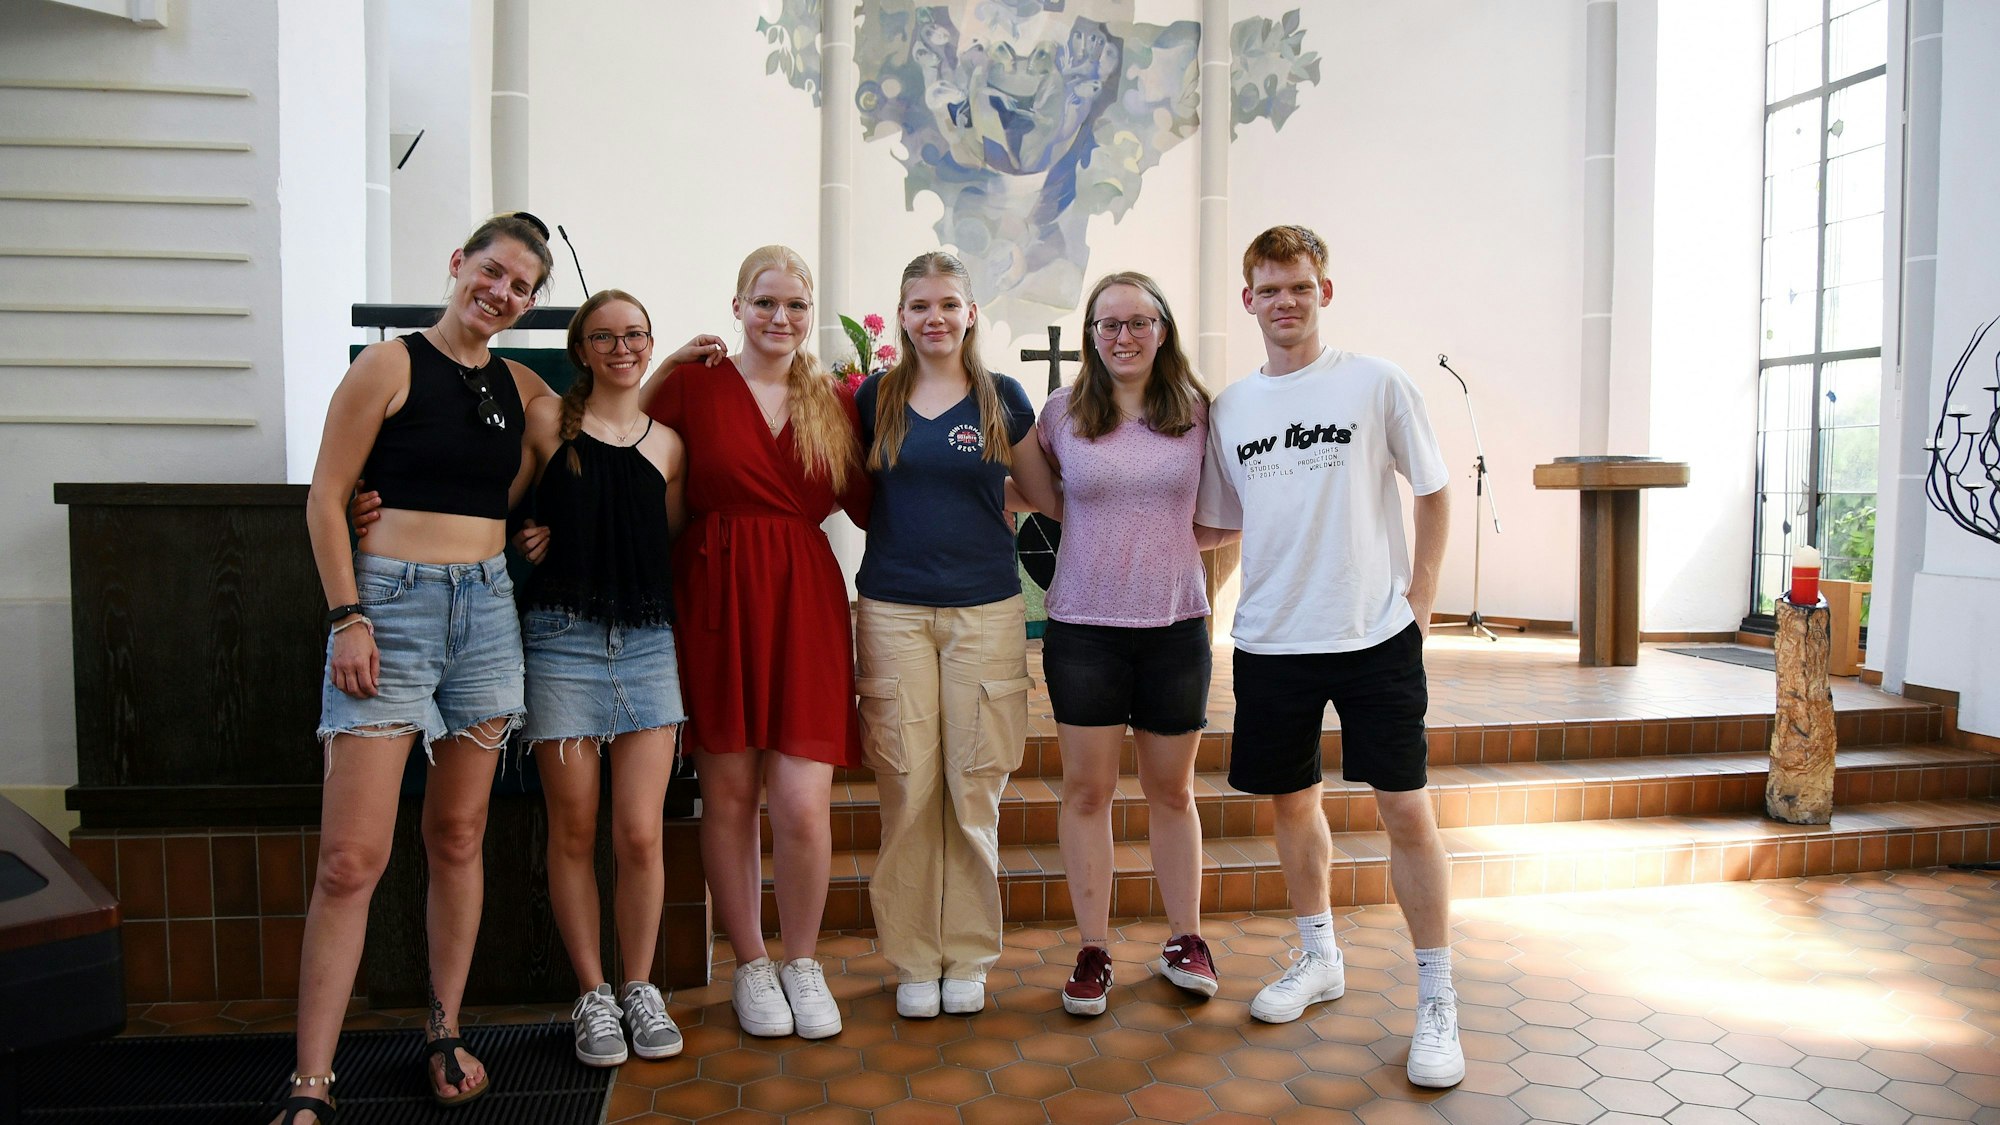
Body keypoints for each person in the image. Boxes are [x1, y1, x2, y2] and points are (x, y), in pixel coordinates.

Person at [279, 213, 556, 1125]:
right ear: (459, 264)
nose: (502, 292)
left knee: (459, 836)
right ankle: (311, 1080)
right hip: (387, 610)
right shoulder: (389, 366)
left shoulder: (521, 384)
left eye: (521, 286)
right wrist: (347, 612)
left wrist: (525, 527)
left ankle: (443, 1028)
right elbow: (326, 495)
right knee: (351, 857)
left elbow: (571, 451)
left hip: (486, 611)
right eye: (493, 271)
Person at [1193, 224, 1460, 1087]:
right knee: (1290, 805)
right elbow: (1221, 526)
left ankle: (1435, 996)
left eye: (1300, 286)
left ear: (1325, 292)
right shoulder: (1232, 407)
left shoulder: (1376, 384)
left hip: (1373, 636)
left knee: (1407, 812)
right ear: (1248, 300)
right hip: (1272, 640)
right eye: (1269, 288)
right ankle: (1320, 957)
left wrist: (1419, 602)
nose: (1285, 302)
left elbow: (1433, 488)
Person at [643, 245, 869, 1040]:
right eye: (765, 302)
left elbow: (877, 502)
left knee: (803, 804)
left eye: (796, 306)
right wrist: (657, 366)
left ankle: (802, 960)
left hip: (803, 600)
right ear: (736, 305)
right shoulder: (691, 384)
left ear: (812, 315)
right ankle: (749, 963)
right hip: (714, 596)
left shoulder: (835, 401)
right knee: (731, 796)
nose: (780, 319)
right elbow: (620, 451)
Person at [510, 290, 724, 1066]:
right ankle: (593, 994)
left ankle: (640, 986)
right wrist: (525, 532)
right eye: (604, 336)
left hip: (645, 644)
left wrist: (668, 368)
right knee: (573, 827)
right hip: (560, 642)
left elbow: (657, 537)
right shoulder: (545, 424)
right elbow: (499, 505)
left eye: (635, 335)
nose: (621, 347)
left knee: (639, 831)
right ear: (580, 348)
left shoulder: (668, 444)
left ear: (648, 341)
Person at [1007, 271, 1217, 1016]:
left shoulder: (1197, 412)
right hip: (1085, 629)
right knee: (1088, 792)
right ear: (1092, 335)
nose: (1123, 336)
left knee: (1173, 790)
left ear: (1163, 328)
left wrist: (1164, 544)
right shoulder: (1064, 413)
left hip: (1174, 627)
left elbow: (1227, 509)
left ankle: (1185, 939)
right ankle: (1093, 948)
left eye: (1138, 321)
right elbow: (1025, 494)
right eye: (1108, 324)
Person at [851, 251, 1036, 1019]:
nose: (934, 317)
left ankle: (968, 955)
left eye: (948, 304)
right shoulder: (873, 398)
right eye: (919, 304)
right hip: (893, 611)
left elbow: (1044, 491)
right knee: (905, 784)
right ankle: (913, 957)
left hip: (985, 612)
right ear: (900, 315)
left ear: (970, 315)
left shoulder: (1001, 397)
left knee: (973, 787)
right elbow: (858, 492)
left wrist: (1005, 508)